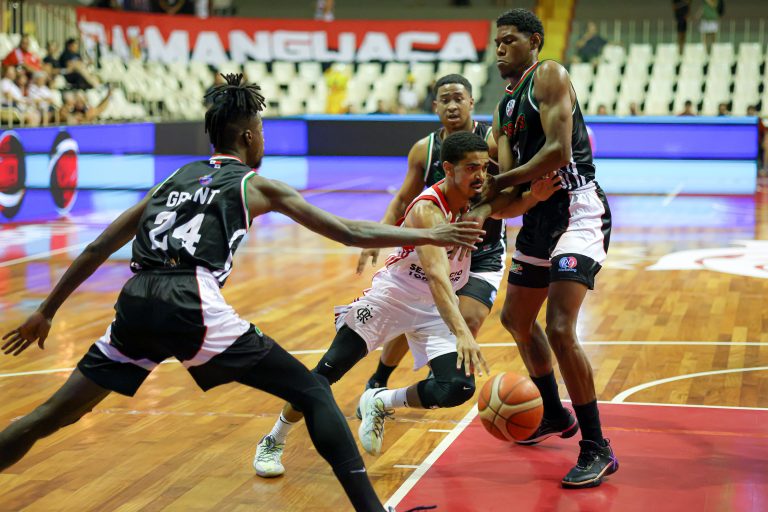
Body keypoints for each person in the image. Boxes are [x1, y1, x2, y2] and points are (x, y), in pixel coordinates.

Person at [0, 74, 484, 512]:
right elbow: (349, 231)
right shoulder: (255, 185)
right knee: (313, 391)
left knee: (52, 414)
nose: (264, 140)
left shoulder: (171, 180)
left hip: (135, 299)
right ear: (249, 136)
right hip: (190, 298)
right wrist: (429, 234)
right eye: (262, 131)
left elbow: (97, 247)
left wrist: (46, 310)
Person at [253, 132, 561, 478]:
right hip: (394, 299)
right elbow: (438, 278)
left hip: (432, 309)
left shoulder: (476, 195)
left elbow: (507, 208)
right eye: (471, 168)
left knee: (457, 387)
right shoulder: (428, 210)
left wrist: (533, 198)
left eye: (484, 167)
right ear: (448, 169)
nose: (480, 175)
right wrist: (462, 332)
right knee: (328, 371)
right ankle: (273, 439)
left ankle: (381, 400)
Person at [479, 8, 617, 489]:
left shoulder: (550, 75)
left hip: (577, 208)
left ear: (534, 41)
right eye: (497, 42)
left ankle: (597, 447)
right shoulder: (502, 110)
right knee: (516, 319)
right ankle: (555, 413)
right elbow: (504, 192)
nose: (500, 49)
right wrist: (489, 199)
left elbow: (559, 151)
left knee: (559, 327)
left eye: (510, 40)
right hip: (538, 216)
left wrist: (503, 183)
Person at [354, 74, 518, 401]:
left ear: (471, 102)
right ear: (435, 106)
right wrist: (378, 234)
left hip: (482, 251)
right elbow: (403, 200)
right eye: (445, 100)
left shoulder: (490, 143)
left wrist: (483, 210)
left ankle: (436, 380)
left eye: (458, 98)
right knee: (412, 317)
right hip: (436, 251)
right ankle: (379, 379)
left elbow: (512, 190)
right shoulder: (424, 150)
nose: (452, 106)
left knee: (468, 319)